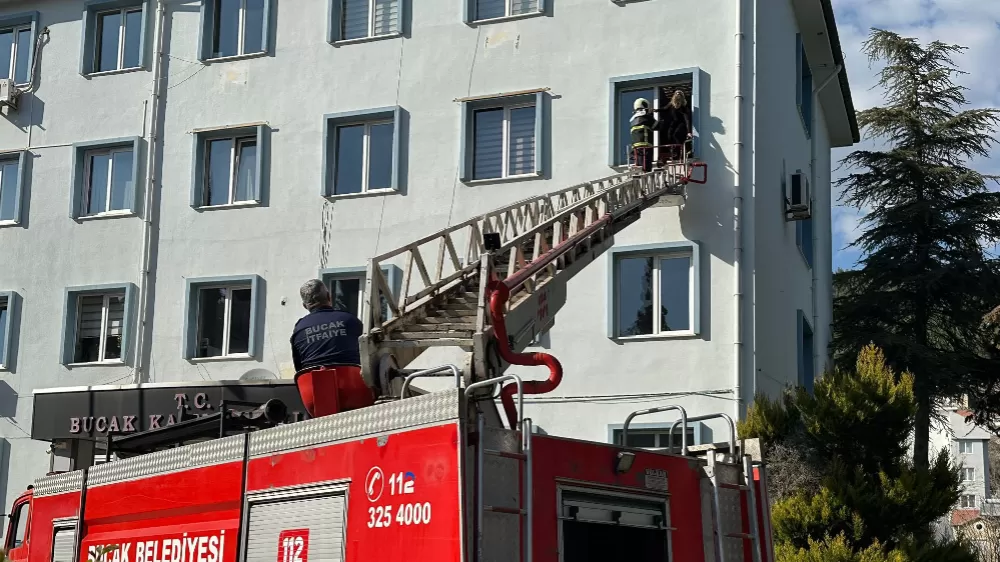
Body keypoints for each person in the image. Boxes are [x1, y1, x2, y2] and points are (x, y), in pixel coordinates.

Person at [290, 279, 363, 373]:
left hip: (313, 385)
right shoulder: (350, 320)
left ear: (305, 305)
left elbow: (299, 370)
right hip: (352, 382)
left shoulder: (299, 329)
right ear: (329, 297)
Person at [660, 90, 693, 162]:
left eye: (680, 94)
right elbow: (664, 109)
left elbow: (687, 119)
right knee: (669, 135)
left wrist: (689, 131)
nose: (678, 95)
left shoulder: (684, 108)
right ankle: (674, 152)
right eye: (677, 94)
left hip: (681, 124)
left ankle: (680, 152)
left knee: (676, 135)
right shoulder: (671, 104)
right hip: (674, 123)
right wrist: (655, 110)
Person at [629, 97, 660, 173]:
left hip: (635, 147)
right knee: (646, 167)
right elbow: (658, 126)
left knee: (640, 164)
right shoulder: (646, 117)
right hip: (645, 145)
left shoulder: (633, 119)